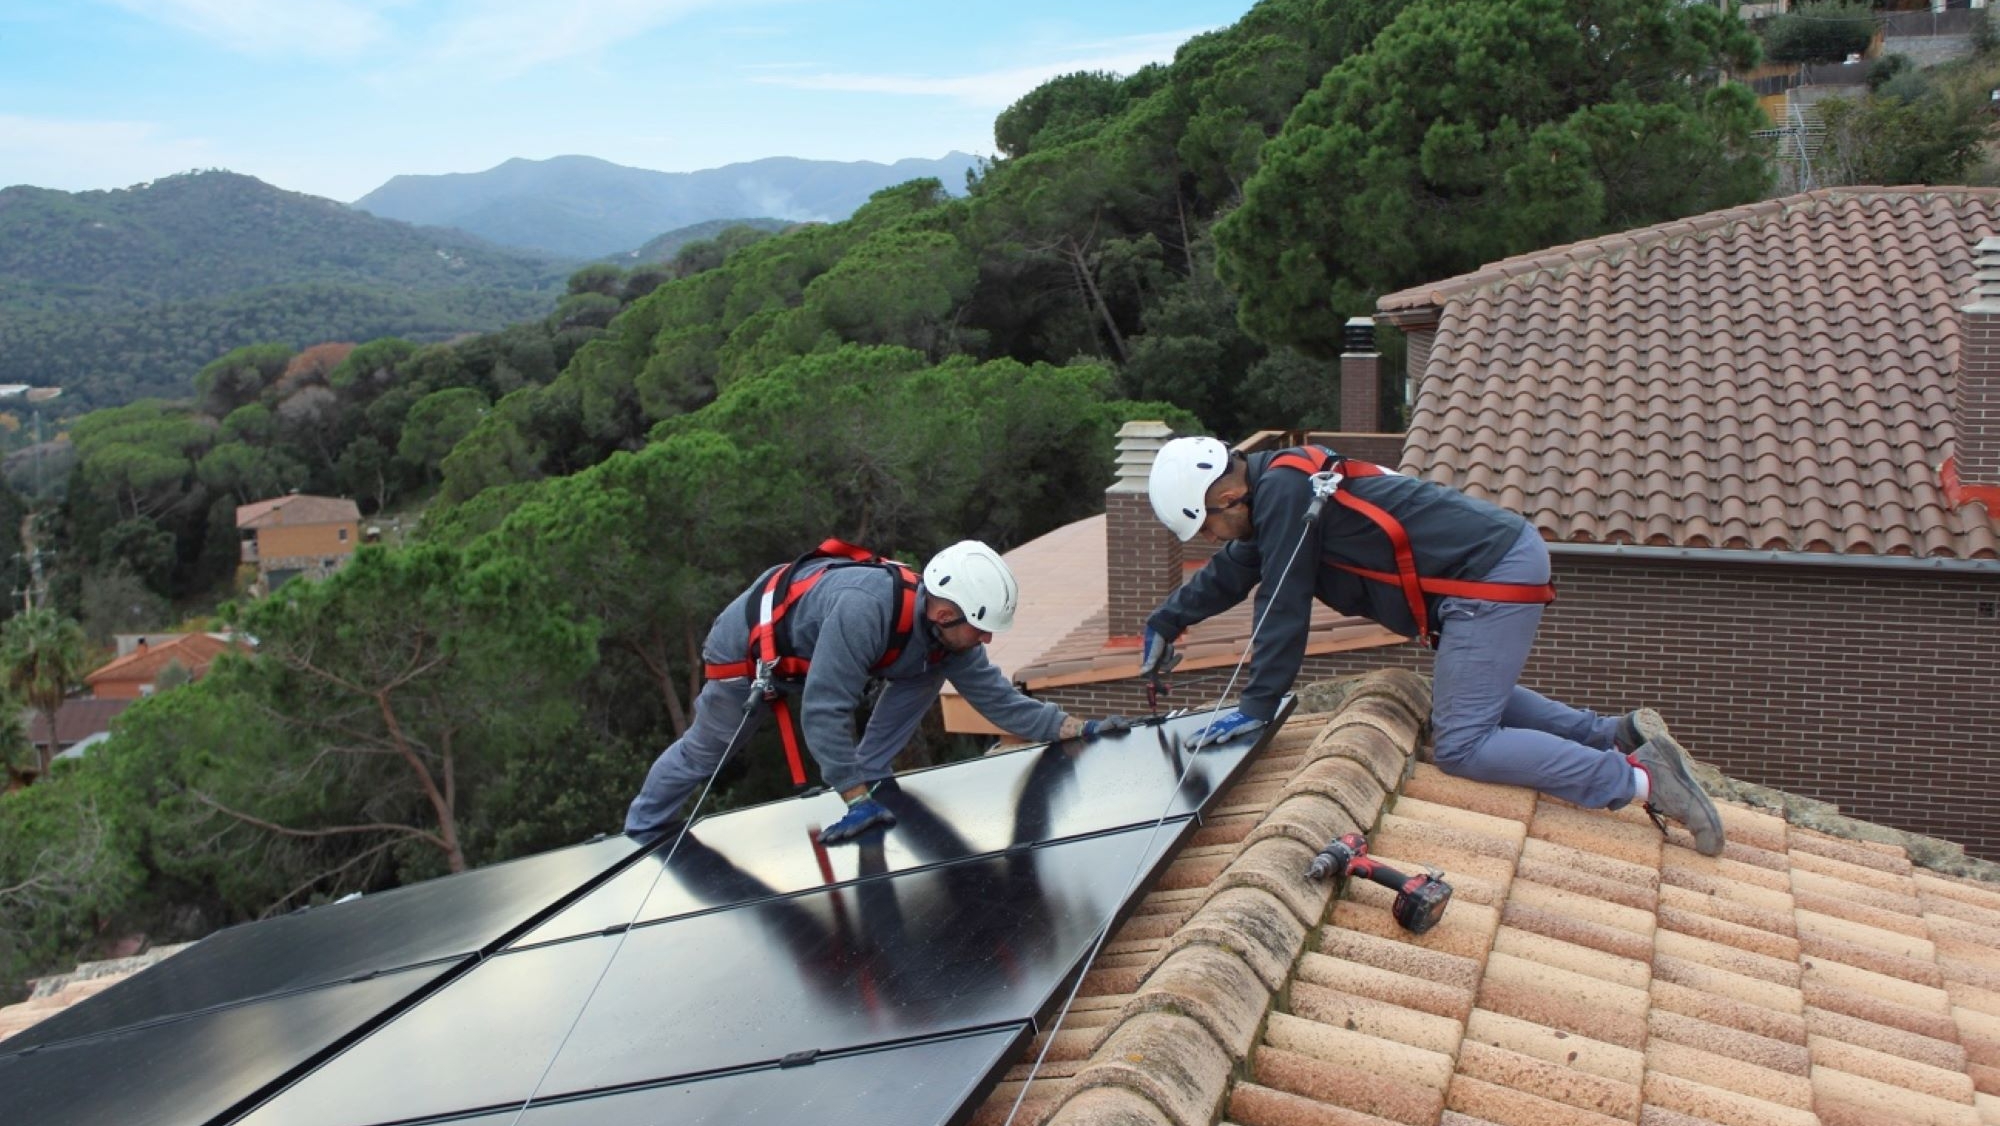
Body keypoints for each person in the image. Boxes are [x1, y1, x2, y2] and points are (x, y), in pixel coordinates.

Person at [1140, 436, 1724, 856]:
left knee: (1464, 744)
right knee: (1467, 698)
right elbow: (1236, 571)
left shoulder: (1287, 494)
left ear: (1226, 494)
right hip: (1491, 562)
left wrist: (1256, 706)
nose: (1212, 541)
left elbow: (1282, 602)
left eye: (1207, 529)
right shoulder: (1277, 493)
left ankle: (1638, 780)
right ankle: (1613, 735)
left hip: (1487, 574)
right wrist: (1167, 621)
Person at [625, 539, 1129, 844]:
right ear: (943, 612)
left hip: (818, 653)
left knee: (930, 667)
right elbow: (825, 709)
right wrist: (852, 796)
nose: (987, 640)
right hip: (747, 652)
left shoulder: (946, 637)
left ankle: (871, 771)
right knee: (707, 751)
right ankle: (641, 831)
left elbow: (996, 699)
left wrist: (1070, 726)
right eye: (980, 628)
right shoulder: (863, 611)